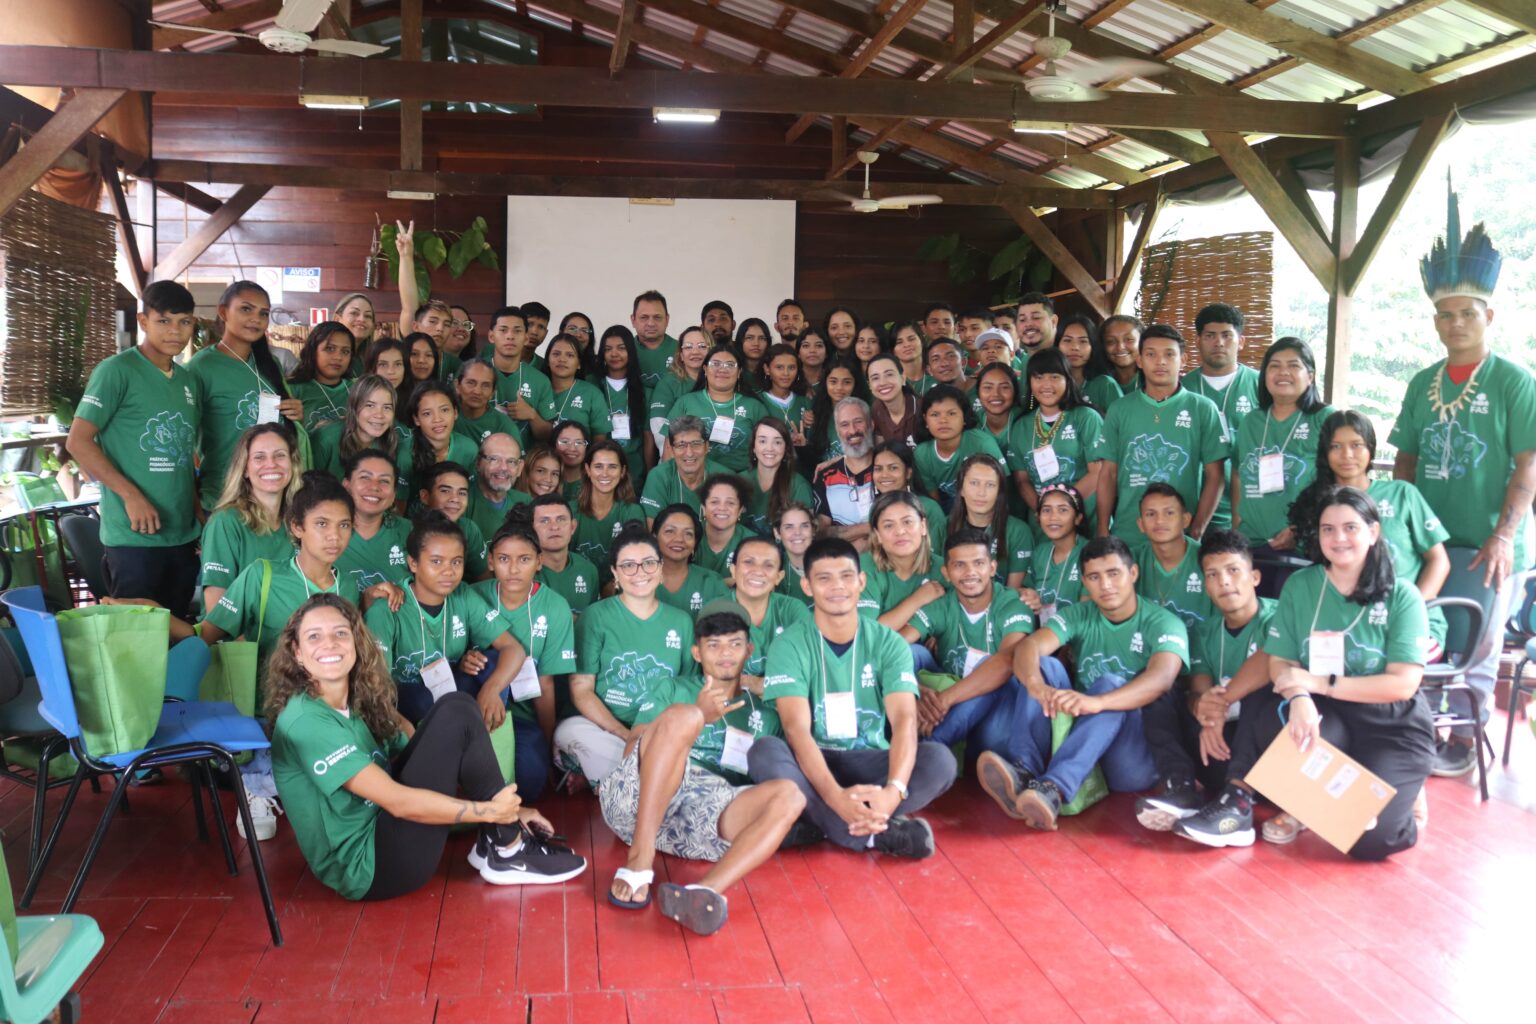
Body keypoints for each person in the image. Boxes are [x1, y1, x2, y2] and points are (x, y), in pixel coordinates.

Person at [1176, 488, 1435, 858]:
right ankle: (1242, 799)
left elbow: (1403, 684)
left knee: (1371, 842)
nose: (1338, 538)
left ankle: (1402, 789)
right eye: (1328, 529)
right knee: (1265, 701)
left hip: (1390, 723)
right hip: (1328, 716)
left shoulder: (1403, 596)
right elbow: (1276, 659)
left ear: (1373, 532)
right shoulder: (1302, 586)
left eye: (1350, 527)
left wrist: (1314, 684)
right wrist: (1296, 696)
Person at [270, 594, 585, 897]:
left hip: (386, 830)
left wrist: (512, 812)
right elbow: (398, 801)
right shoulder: (306, 720)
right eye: (314, 637)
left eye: (340, 633)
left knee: (457, 707)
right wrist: (490, 813)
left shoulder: (355, 700)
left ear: (356, 642)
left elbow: (430, 760)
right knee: (456, 710)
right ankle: (508, 848)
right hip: (371, 868)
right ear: (296, 652)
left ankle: (502, 841)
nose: (329, 644)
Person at [1388, 183, 1536, 778]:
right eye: (1445, 314)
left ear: (1489, 316)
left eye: (1467, 313)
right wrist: (1403, 530)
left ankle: (1462, 745)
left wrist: (1505, 535)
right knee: (1424, 636)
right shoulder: (1421, 381)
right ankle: (1423, 732)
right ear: (1434, 320)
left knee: (1475, 647)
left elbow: (1528, 466)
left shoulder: (1514, 380)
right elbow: (1404, 461)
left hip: (1489, 544)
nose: (1455, 323)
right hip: (1433, 544)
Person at [749, 537, 958, 858]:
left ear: (862, 581)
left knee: (940, 761)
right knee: (764, 751)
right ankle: (872, 835)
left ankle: (816, 822)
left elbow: (904, 720)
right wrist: (835, 798)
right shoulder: (789, 645)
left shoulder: (889, 642)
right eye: (824, 578)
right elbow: (795, 730)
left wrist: (893, 792)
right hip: (811, 759)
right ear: (806, 586)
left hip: (870, 759)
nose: (837, 587)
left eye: (846, 577)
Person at [603, 606, 804, 934]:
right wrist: (699, 714)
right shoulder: (673, 688)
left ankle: (703, 891)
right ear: (697, 652)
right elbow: (633, 748)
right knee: (686, 716)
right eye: (713, 645)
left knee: (790, 796)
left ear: (749, 650)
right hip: (636, 803)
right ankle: (640, 859)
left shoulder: (766, 712)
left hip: (703, 817)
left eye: (735, 644)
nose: (725, 653)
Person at [982, 536, 1185, 830]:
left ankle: (1053, 788)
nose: (1105, 585)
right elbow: (1027, 648)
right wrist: (1036, 683)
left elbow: (1162, 679)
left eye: (1113, 574)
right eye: (1094, 577)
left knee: (1110, 683)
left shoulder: (1163, 621)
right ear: (1084, 582)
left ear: (1133, 574)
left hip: (1130, 761)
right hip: (1082, 745)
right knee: (1045, 664)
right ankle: (1024, 772)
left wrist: (1098, 702)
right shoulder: (1080, 614)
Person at [68, 279, 202, 613]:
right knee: (136, 639)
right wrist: (131, 495)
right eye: (164, 321)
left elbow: (186, 456)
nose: (175, 331)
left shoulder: (188, 381)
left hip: (183, 536)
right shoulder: (117, 371)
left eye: (184, 322)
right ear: (143, 322)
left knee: (179, 632)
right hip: (134, 539)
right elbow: (78, 441)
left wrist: (198, 516)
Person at [1135, 529, 1277, 833]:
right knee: (1162, 688)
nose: (1223, 581)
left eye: (1233, 571)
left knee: (1265, 686)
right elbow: (1198, 689)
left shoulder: (1279, 617)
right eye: (1212, 574)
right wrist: (1205, 712)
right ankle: (1181, 786)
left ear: (1254, 577)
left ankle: (1238, 804)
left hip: (1265, 752)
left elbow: (1275, 664)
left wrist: (1218, 707)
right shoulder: (1203, 631)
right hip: (1215, 746)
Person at [1291, 410, 1450, 654]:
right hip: (1342, 622)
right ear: (1324, 452)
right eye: (1336, 446)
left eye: (1356, 445)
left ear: (1371, 449)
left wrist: (1411, 608)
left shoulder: (1402, 494)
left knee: (1371, 661)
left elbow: (1439, 561)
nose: (1347, 455)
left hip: (1410, 622)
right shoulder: (1316, 504)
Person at [556, 526, 698, 785]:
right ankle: (648, 779)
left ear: (660, 568)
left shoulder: (681, 621)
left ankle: (617, 780)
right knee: (570, 732)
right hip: (604, 728)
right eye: (628, 565)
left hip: (660, 732)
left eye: (648, 563)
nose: (640, 572)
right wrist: (625, 734)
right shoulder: (595, 616)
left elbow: (687, 691)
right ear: (615, 572)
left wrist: (654, 735)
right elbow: (581, 690)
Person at [364, 512, 527, 723]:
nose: (448, 571)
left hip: (450, 691)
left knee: (491, 663)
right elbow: (375, 683)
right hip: (406, 703)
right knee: (421, 699)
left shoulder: (464, 595)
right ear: (413, 563)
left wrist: (491, 690)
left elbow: (513, 649)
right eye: (437, 561)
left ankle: (481, 735)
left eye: (456, 562)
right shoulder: (386, 608)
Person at [474, 513, 578, 800]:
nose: (513, 569)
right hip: (475, 709)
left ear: (539, 562)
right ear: (491, 561)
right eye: (504, 559)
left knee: (531, 782)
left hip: (521, 718)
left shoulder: (555, 607)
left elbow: (544, 686)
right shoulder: (474, 596)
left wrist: (547, 748)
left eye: (524, 559)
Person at [1093, 325, 1227, 543]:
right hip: (1128, 535)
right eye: (1151, 354)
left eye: (1169, 354)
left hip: (1181, 539)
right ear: (1139, 360)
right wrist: (1102, 529)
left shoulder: (1203, 408)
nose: (1160, 361)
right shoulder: (1119, 409)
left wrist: (1196, 531)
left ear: (1183, 360)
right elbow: (1108, 474)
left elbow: (1216, 477)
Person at [189, 281, 303, 510]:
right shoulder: (200, 368)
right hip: (223, 497)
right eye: (246, 309)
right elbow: (185, 444)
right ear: (223, 312)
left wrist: (296, 415)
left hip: (270, 498)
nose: (256, 318)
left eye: (264, 313)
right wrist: (194, 506)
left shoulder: (270, 365)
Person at [1230, 338, 1332, 555]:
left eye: (1294, 366)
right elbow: (1238, 472)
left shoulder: (1324, 418)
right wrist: (1237, 523)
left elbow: (1338, 482)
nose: (1283, 372)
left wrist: (1301, 529)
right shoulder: (1251, 421)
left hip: (1303, 544)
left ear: (1311, 376)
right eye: (1274, 366)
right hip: (1251, 544)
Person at [200, 424, 300, 614]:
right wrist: (246, 644)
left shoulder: (299, 521)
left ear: (292, 464)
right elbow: (217, 604)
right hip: (239, 640)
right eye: (259, 457)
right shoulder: (225, 522)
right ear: (245, 469)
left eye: (280, 455)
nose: (271, 464)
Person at [1181, 304, 1260, 531]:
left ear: (1241, 341)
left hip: (1245, 506)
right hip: (1192, 506)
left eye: (1227, 335)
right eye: (1210, 336)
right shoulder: (1183, 388)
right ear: (1198, 341)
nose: (1219, 343)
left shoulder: (1260, 385)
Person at [1009, 348, 1103, 518]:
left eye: (1054, 377)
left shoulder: (1086, 418)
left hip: (1084, 518)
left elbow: (1098, 473)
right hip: (1042, 523)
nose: (1046, 385)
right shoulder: (1021, 426)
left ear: (1068, 379)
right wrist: (1044, 512)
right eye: (1038, 377)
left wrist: (1061, 509)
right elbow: (1021, 480)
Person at [662, 344, 769, 474]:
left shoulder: (754, 406)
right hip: (695, 479)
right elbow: (669, 448)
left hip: (741, 481)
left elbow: (768, 449)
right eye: (716, 364)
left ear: (739, 372)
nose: (722, 370)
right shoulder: (686, 402)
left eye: (730, 365)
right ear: (705, 370)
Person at [728, 539, 815, 685]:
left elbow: (807, 671)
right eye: (749, 562)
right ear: (733, 570)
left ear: (779, 577)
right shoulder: (716, 611)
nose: (758, 571)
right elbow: (717, 680)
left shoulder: (793, 610)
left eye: (768, 565)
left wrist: (755, 685)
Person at [1133, 483, 1214, 631]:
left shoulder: (1209, 560)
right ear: (1141, 524)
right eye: (1151, 514)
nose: (1160, 521)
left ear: (1186, 520)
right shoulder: (1130, 561)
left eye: (1169, 513)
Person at [859, 492, 946, 627]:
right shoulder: (864, 568)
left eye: (907, 522)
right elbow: (869, 632)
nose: (900, 531)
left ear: (923, 526)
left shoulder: (943, 569)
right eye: (888, 525)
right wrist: (918, 599)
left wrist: (934, 628)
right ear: (878, 535)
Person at [946, 454, 1032, 589]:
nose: (981, 493)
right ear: (961, 489)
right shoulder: (945, 526)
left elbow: (1012, 592)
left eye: (990, 485)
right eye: (974, 483)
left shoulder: (1018, 531)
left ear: (999, 493)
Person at [913, 384, 1005, 507]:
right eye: (935, 415)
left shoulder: (982, 443)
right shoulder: (921, 453)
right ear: (925, 420)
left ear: (964, 417)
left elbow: (1003, 489)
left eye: (951, 413)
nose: (943, 420)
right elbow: (935, 502)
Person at [335, 449, 413, 592]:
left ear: (394, 494)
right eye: (365, 478)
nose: (374, 487)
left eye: (384, 481)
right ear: (346, 485)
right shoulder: (325, 531)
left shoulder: (411, 532)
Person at [397, 381, 478, 508]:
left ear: (455, 413)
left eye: (444, 410)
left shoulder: (469, 449)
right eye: (427, 413)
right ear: (416, 419)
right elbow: (399, 505)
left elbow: (469, 498)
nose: (437, 419)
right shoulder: (405, 453)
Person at [483, 305, 555, 447]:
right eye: (503, 330)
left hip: (522, 463)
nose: (510, 336)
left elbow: (548, 434)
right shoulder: (474, 373)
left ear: (525, 337)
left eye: (517, 331)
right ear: (491, 336)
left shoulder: (540, 380)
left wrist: (532, 415)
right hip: (479, 461)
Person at [573, 440, 646, 575]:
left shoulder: (632, 512)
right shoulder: (571, 511)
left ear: (622, 471)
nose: (605, 473)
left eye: (612, 467)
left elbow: (635, 562)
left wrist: (614, 585)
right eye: (598, 466)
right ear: (588, 470)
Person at [311, 375, 403, 480]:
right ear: (354, 407)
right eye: (370, 405)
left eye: (387, 407)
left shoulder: (390, 442)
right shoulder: (325, 439)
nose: (379, 415)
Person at [813, 397, 877, 547]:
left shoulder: (886, 467)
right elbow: (822, 533)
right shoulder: (825, 476)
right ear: (837, 431)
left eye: (858, 422)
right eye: (844, 425)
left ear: (871, 424)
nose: (853, 431)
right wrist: (870, 527)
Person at [594, 324, 654, 480]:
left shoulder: (645, 392)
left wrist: (650, 475)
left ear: (631, 352)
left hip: (635, 473)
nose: (614, 354)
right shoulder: (592, 386)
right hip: (601, 472)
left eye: (621, 348)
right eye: (608, 349)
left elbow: (648, 438)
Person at [1022, 483, 1088, 623]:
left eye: (1063, 510)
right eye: (1046, 510)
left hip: (1077, 637)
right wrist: (1027, 596)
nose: (1053, 517)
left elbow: (1086, 613)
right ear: (1038, 517)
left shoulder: (1091, 554)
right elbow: (1025, 592)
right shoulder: (1040, 552)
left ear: (1078, 518)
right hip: (1041, 636)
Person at [871, 441, 946, 559]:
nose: (884, 475)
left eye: (893, 468)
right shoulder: (876, 509)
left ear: (908, 473)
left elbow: (934, 556)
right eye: (878, 469)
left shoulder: (929, 508)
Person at [640, 415, 721, 524]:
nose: (689, 453)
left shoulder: (723, 477)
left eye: (696, 444)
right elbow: (653, 530)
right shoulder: (658, 477)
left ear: (707, 447)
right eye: (681, 445)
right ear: (671, 449)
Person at [416, 462, 490, 581]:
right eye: (445, 491)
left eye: (462, 493)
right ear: (425, 496)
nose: (455, 499)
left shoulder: (468, 529)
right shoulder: (409, 530)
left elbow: (484, 576)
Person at [653, 504, 731, 615]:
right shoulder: (639, 578)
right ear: (655, 537)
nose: (679, 539)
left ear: (695, 543)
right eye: (670, 531)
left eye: (688, 534)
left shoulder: (711, 582)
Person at [528, 493, 599, 614]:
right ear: (531, 529)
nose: (554, 527)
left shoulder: (588, 570)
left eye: (561, 519)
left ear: (572, 527)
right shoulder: (524, 573)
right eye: (544, 521)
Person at [745, 418, 813, 536]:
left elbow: (806, 535)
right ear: (753, 448)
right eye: (762, 441)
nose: (770, 448)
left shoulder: (799, 485)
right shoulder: (740, 481)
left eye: (777, 442)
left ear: (786, 449)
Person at [649, 326, 711, 449]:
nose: (695, 352)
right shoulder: (669, 383)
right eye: (688, 347)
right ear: (681, 355)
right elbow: (658, 426)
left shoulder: (721, 381)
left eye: (702, 346)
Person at [287, 322, 355, 430]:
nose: (338, 357)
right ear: (313, 351)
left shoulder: (358, 388)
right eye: (330, 348)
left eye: (345, 351)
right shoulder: (293, 390)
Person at [465, 432, 530, 541]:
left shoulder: (525, 502)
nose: (504, 468)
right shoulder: (463, 501)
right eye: (494, 459)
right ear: (478, 463)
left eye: (511, 461)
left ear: (520, 468)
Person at [547, 332, 611, 441]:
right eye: (556, 354)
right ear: (548, 360)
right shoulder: (537, 388)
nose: (562, 359)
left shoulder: (592, 394)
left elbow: (599, 441)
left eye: (570, 355)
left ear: (579, 364)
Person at [805, 357, 865, 466]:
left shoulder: (864, 415)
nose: (839, 387)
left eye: (847, 382)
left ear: (855, 384)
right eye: (833, 381)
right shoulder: (815, 415)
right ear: (825, 383)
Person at [1056, 314, 1122, 413]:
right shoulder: (1049, 383)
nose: (1075, 347)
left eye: (1083, 341)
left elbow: (1123, 424)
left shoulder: (1105, 384)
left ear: (1093, 346)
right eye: (1067, 340)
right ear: (1057, 345)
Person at [696, 474, 753, 576]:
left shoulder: (753, 543)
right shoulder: (690, 535)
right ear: (703, 508)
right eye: (714, 502)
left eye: (730, 503)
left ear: (740, 510)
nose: (722, 508)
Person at [453, 359, 518, 446]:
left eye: (485, 385)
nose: (477, 391)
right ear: (457, 385)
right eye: (471, 383)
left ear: (493, 392)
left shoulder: (504, 426)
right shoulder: (444, 417)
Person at [866, 353, 920, 450]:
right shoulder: (876, 409)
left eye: (889, 374)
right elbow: (882, 452)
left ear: (903, 378)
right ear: (869, 385)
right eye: (875, 378)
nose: (882, 382)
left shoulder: (922, 408)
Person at [632, 290, 678, 397]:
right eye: (644, 317)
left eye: (657, 317)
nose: (651, 323)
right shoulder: (623, 352)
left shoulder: (682, 351)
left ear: (667, 320)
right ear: (633, 320)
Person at [973, 363, 1022, 462]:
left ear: (1015, 392)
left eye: (1004, 387)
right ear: (978, 392)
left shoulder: (1025, 423)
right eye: (988, 387)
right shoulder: (972, 423)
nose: (995, 394)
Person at [758, 342, 809, 436]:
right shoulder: (757, 402)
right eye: (779, 367)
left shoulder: (805, 402)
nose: (786, 373)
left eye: (792, 367)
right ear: (767, 369)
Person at [774, 502, 816, 606]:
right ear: (777, 533)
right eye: (789, 527)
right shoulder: (773, 569)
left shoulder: (832, 563)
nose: (797, 532)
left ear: (813, 530)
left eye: (804, 526)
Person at [334, 292, 378, 375]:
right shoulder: (319, 357)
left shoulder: (373, 362)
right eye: (354, 313)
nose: (362, 319)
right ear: (337, 319)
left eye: (368, 316)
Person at [551, 420, 593, 502]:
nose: (572, 448)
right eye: (564, 442)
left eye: (579, 442)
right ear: (553, 444)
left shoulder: (594, 481)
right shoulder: (545, 479)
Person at [1099, 314, 1142, 394]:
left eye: (1129, 339)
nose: (1120, 347)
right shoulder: (1098, 383)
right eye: (1111, 341)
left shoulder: (1153, 381)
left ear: (1143, 342)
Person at [889, 321, 932, 396]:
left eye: (911, 339)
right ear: (893, 351)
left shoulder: (936, 374)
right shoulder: (890, 382)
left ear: (921, 341)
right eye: (899, 342)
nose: (907, 345)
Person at [1014, 292, 1057, 356]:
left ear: (1053, 321)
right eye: (1022, 319)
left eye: (1036, 317)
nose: (1028, 324)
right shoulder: (1021, 364)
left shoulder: (1069, 358)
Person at [796, 328, 828, 395]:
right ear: (798, 353)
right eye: (806, 346)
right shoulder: (790, 380)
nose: (812, 350)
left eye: (819, 345)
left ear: (826, 353)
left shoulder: (833, 382)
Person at [521, 301, 551, 368]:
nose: (534, 332)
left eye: (541, 327)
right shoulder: (495, 359)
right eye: (529, 324)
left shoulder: (545, 367)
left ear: (546, 333)